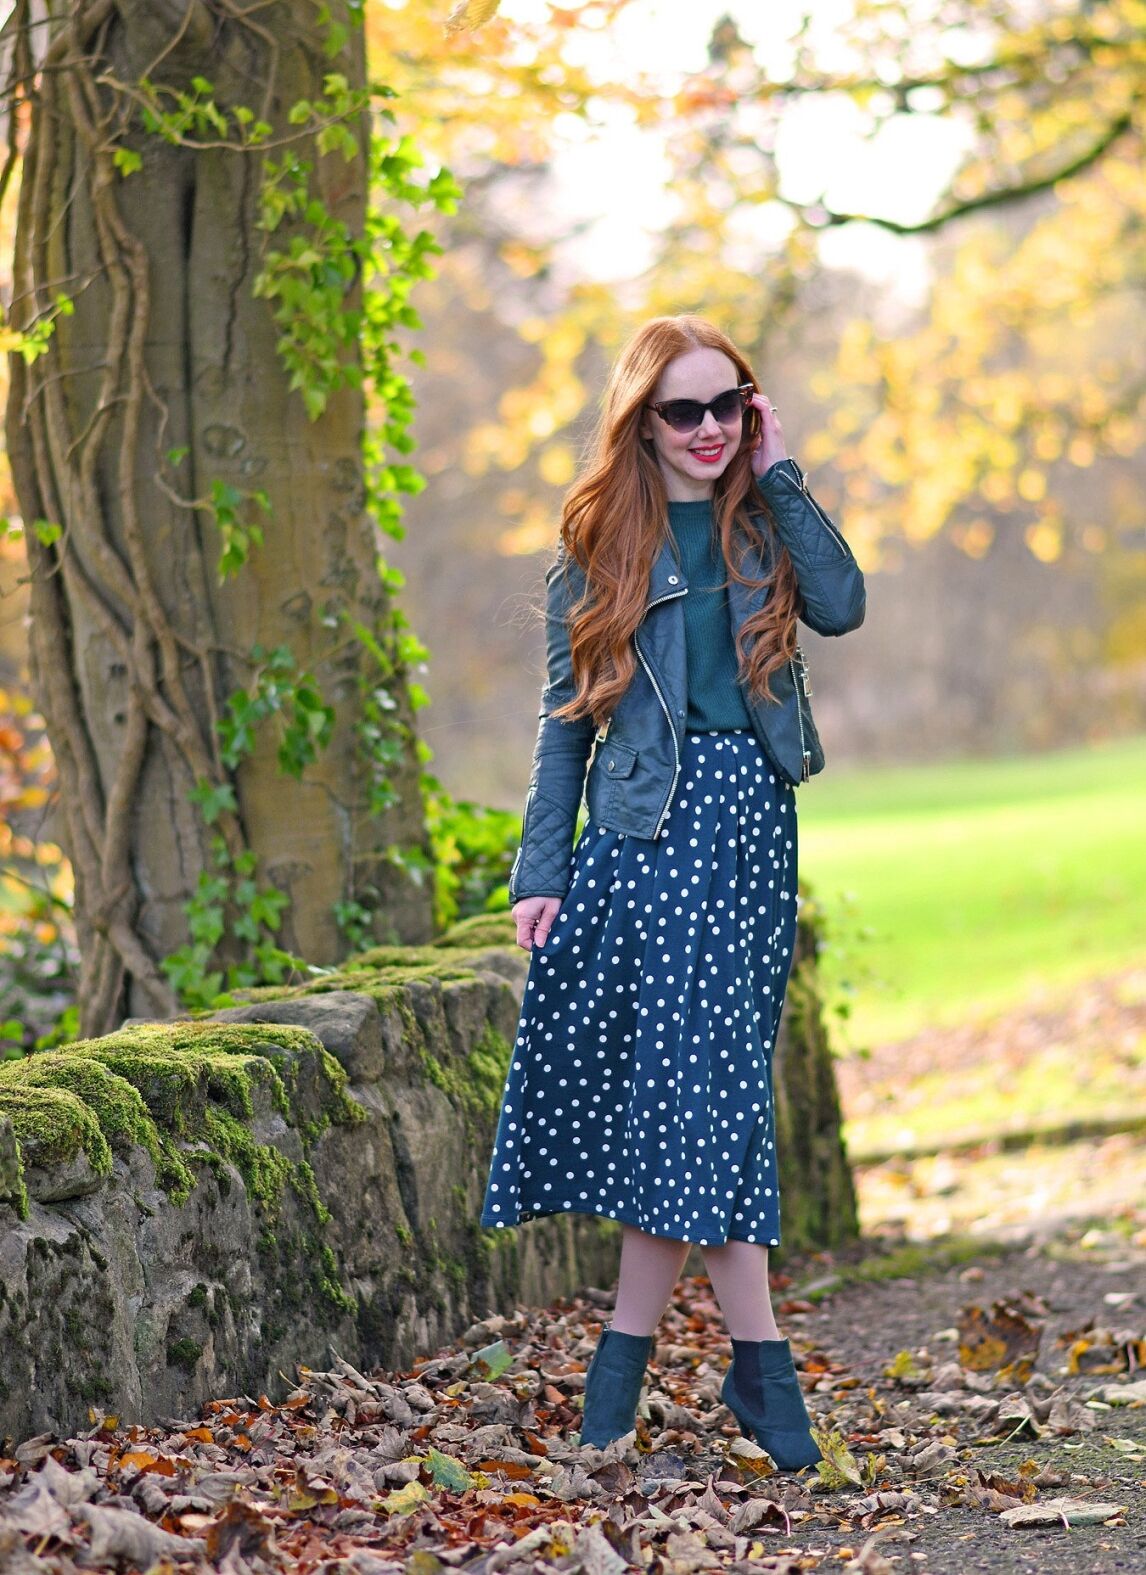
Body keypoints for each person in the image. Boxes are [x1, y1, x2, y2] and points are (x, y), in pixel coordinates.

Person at [480, 315, 865, 1468]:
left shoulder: (764, 523)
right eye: (684, 410)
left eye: (728, 404)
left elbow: (842, 605)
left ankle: (626, 1367)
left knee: (706, 1101)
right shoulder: (596, 547)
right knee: (701, 1102)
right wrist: (540, 869)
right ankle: (760, 1373)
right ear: (641, 419)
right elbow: (564, 730)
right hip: (649, 840)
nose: (708, 429)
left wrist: (779, 471)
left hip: (754, 837)